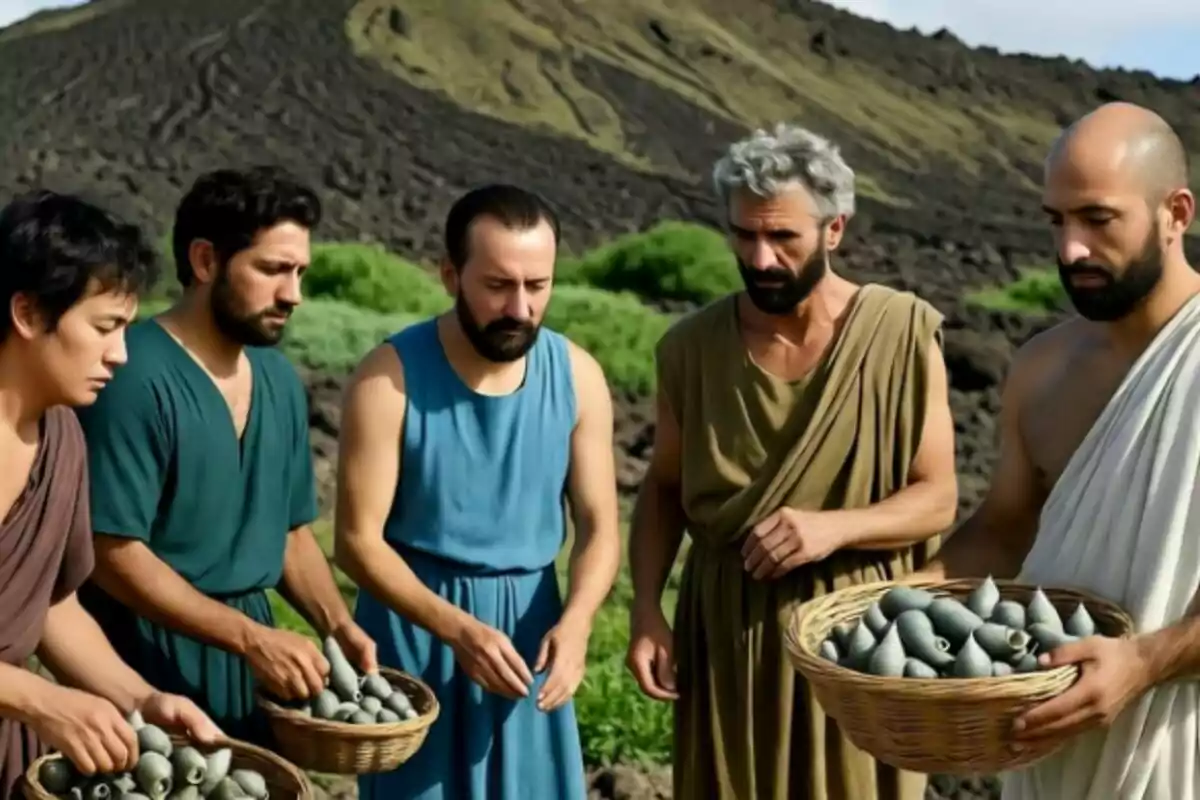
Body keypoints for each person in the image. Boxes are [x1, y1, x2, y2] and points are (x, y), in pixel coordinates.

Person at [625, 122, 959, 800]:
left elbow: (937, 497)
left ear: (834, 231)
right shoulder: (690, 350)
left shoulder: (897, 334)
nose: (762, 259)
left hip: (861, 635)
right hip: (729, 632)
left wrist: (833, 528)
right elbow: (662, 488)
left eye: (783, 238)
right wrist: (645, 610)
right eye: (744, 236)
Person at [918, 103, 1200, 799]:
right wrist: (901, 601)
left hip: (1182, 738)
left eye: (1098, 220)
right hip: (1053, 745)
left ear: (1176, 213)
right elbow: (1007, 526)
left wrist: (1144, 663)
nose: (1070, 249)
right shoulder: (1041, 369)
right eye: (1056, 221)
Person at [334, 183, 621, 800]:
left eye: (537, 286)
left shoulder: (579, 377)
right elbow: (357, 542)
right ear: (449, 275)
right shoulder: (388, 379)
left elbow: (599, 526)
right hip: (417, 635)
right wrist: (457, 630)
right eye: (497, 285)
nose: (519, 307)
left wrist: (577, 624)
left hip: (528, 640)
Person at [72, 166, 377, 745]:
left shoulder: (278, 380)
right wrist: (245, 637)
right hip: (137, 659)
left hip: (249, 665)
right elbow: (110, 552)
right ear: (206, 261)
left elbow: (287, 533)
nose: (294, 295)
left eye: (300, 273)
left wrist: (337, 624)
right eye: (272, 270)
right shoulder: (129, 374)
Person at [0, 190, 222, 796]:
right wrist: (38, 697)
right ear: (27, 313)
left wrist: (141, 698)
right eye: (104, 327)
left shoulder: (63, 436)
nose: (120, 354)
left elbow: (48, 603)